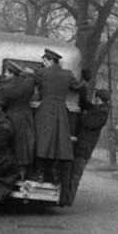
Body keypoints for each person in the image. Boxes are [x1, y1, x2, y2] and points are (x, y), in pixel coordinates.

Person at [28, 49, 86, 184]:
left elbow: (29, 76)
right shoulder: (67, 74)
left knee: (42, 139)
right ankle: (54, 175)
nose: (44, 64)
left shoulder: (42, 73)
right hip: (61, 109)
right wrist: (85, 81)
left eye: (45, 61)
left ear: (50, 61)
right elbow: (80, 86)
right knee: (57, 141)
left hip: (46, 108)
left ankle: (40, 173)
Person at [66, 89, 110, 206]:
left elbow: (88, 122)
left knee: (76, 174)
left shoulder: (102, 113)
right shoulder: (100, 109)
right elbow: (88, 106)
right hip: (83, 146)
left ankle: (68, 199)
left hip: (84, 148)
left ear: (97, 98)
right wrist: (81, 97)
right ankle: (67, 197)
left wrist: (77, 113)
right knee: (74, 173)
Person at [0, 60, 36, 179]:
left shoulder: (6, 86)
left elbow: (1, 103)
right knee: (24, 143)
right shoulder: (29, 83)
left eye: (6, 72)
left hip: (12, 115)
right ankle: (23, 171)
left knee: (12, 143)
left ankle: (10, 170)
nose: (5, 75)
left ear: (11, 73)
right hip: (26, 115)